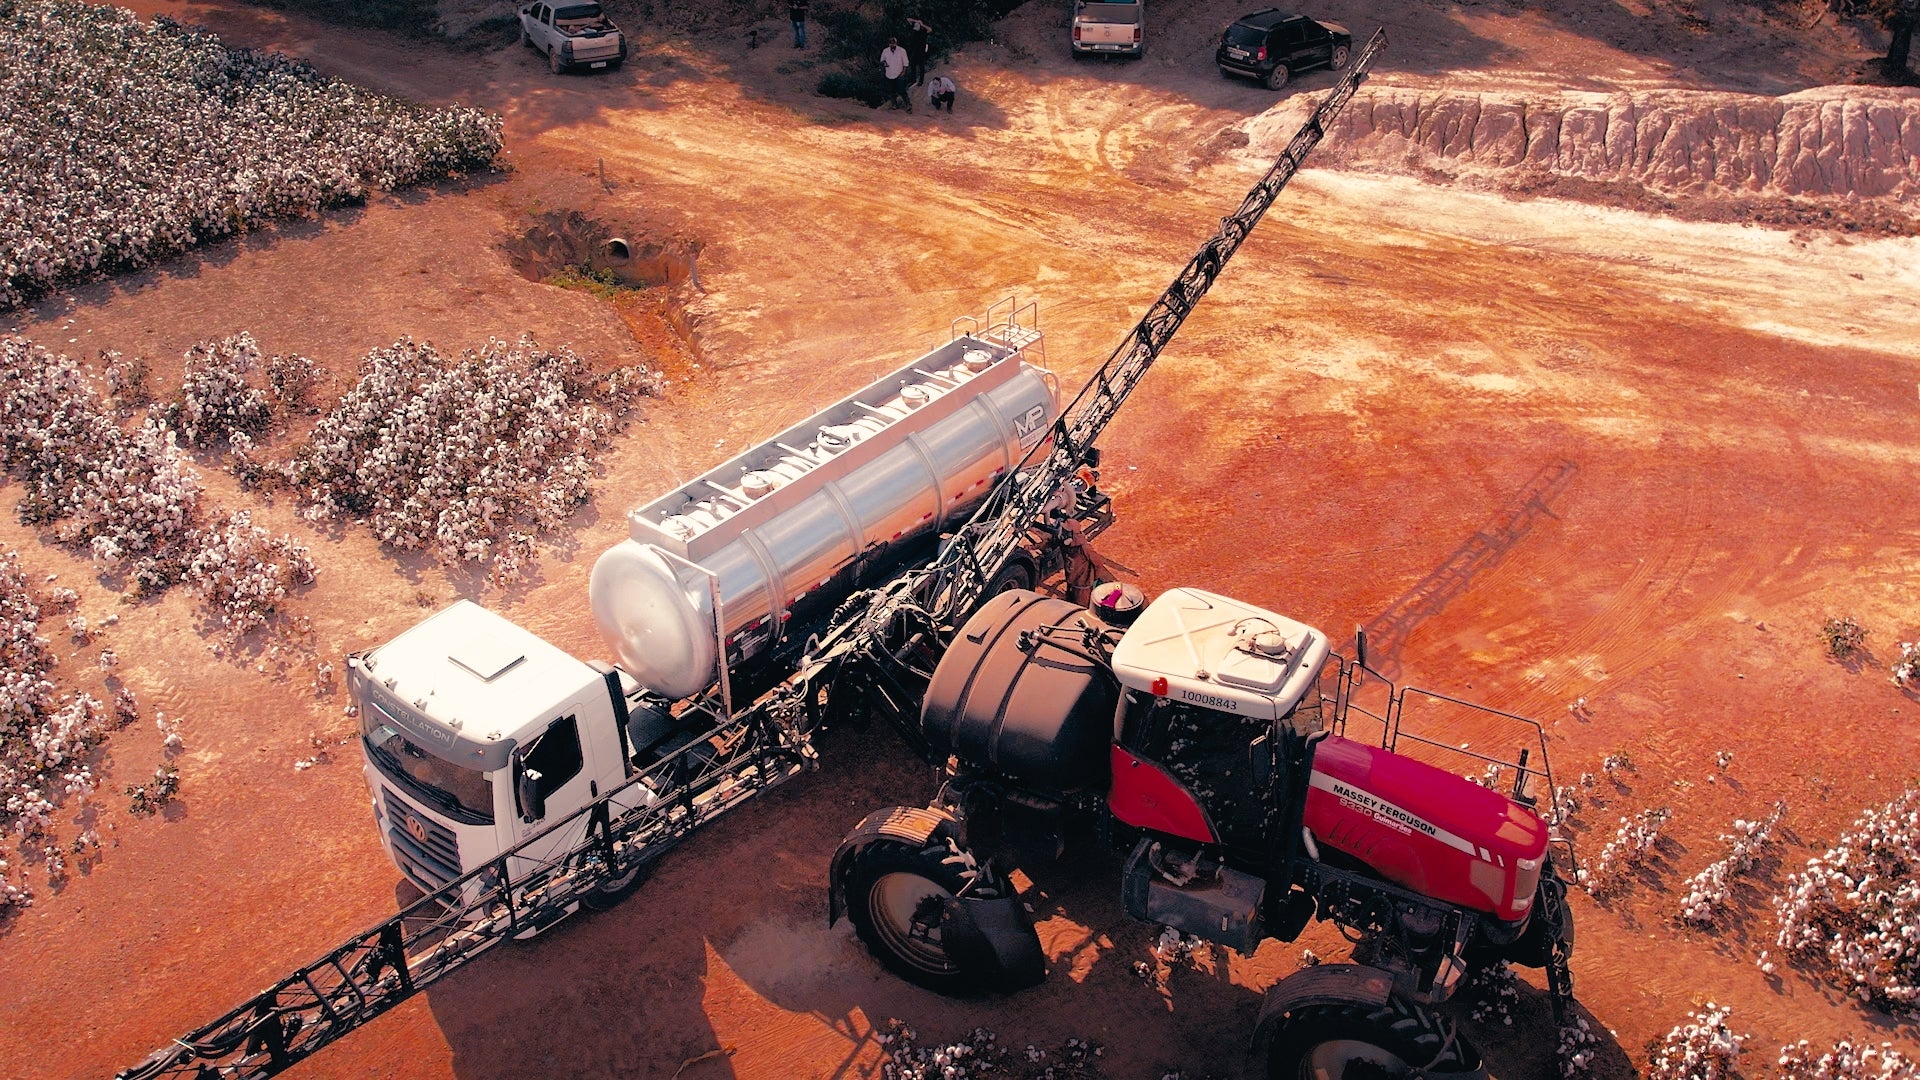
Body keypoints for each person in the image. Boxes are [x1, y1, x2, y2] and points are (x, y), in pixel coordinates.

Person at [881, 37, 912, 112]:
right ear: (889, 44)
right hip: (889, 73)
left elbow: (906, 63)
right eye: (891, 43)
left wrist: (903, 72)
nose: (892, 45)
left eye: (893, 43)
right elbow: (882, 60)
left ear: (896, 43)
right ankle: (894, 104)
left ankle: (908, 104)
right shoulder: (885, 51)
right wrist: (884, 63)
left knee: (901, 90)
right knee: (891, 91)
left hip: (899, 74)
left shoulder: (902, 50)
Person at [904, 16, 932, 86]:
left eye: (917, 26)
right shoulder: (914, 31)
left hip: (921, 51)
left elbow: (930, 29)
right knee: (912, 66)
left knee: (921, 67)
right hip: (914, 51)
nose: (915, 27)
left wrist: (922, 24)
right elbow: (908, 19)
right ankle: (913, 80)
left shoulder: (923, 32)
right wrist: (916, 21)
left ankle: (921, 81)